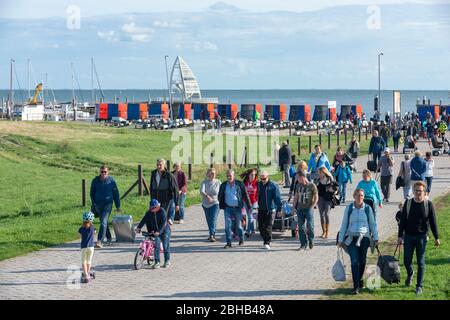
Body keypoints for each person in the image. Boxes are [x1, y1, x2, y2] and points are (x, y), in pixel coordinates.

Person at [397, 181, 440, 295]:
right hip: (409, 236)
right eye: (416, 190)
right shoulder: (408, 203)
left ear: (424, 192)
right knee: (406, 261)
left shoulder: (428, 204)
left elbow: (433, 222)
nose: (417, 193)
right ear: (413, 191)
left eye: (420, 191)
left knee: (421, 262)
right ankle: (410, 273)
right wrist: (400, 236)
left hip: (421, 237)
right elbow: (403, 221)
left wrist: (436, 237)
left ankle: (419, 286)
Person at [337, 188, 379, 295]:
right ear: (354, 196)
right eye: (358, 195)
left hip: (364, 237)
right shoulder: (349, 208)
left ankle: (360, 280)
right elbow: (344, 224)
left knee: (363, 260)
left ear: (363, 197)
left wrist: (376, 238)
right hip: (351, 237)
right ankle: (355, 286)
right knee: (354, 261)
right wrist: (341, 239)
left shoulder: (368, 209)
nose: (359, 198)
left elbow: (373, 224)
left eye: (361, 196)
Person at [218, 169, 251, 248]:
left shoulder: (239, 184)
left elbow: (245, 195)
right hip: (228, 208)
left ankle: (241, 239)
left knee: (238, 226)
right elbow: (220, 195)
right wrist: (221, 204)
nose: (229, 177)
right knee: (227, 226)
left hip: (237, 208)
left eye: (230, 176)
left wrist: (249, 206)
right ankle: (228, 243)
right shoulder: (224, 185)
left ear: (233, 176)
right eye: (227, 176)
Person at [90, 165, 121, 248]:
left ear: (108, 172)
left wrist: (118, 206)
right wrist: (94, 204)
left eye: (105, 172)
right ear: (100, 172)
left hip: (108, 204)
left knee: (103, 220)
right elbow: (91, 194)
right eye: (102, 172)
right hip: (97, 204)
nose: (103, 173)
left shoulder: (111, 181)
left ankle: (100, 241)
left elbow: (116, 194)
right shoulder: (95, 181)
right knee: (104, 222)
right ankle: (109, 237)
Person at [136, 199, 171, 269]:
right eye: (150, 208)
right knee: (157, 246)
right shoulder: (149, 212)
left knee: (165, 245)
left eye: (152, 208)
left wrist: (159, 231)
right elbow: (144, 219)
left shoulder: (162, 211)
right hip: (155, 232)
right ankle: (157, 262)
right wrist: (139, 227)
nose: (151, 210)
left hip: (164, 230)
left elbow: (164, 223)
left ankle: (167, 260)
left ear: (157, 207)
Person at [292, 170, 318, 250]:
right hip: (300, 208)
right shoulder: (298, 185)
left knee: (310, 226)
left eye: (298, 178)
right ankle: (303, 244)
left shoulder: (312, 185)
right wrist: (293, 207)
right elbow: (296, 196)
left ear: (303, 177)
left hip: (308, 208)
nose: (297, 179)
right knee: (301, 227)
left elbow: (316, 197)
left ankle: (311, 240)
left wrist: (312, 206)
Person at [257, 170, 282, 250]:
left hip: (270, 209)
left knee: (268, 226)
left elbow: (278, 198)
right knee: (260, 227)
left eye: (264, 178)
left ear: (268, 177)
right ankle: (266, 238)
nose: (263, 180)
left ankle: (267, 242)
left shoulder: (273, 185)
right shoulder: (259, 185)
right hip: (261, 208)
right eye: (261, 179)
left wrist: (279, 209)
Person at [150, 159, 179, 225]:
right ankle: (160, 229)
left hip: (166, 199)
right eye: (157, 165)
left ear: (164, 165)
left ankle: (163, 231)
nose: (159, 166)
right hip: (156, 198)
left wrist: (176, 203)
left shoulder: (169, 175)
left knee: (163, 214)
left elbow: (175, 189)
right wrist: (152, 198)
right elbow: (151, 187)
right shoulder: (154, 174)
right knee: (156, 215)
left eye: (160, 165)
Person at [200, 168, 221, 242]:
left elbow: (221, 192)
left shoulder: (218, 182)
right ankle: (212, 234)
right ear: (208, 174)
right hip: (206, 204)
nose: (213, 174)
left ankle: (212, 235)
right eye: (211, 173)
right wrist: (207, 196)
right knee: (209, 220)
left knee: (213, 218)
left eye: (214, 173)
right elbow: (202, 191)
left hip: (215, 203)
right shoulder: (204, 182)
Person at [317, 167, 334, 239]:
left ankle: (327, 231)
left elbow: (336, 188)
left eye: (320, 172)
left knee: (326, 214)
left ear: (324, 172)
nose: (319, 174)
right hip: (320, 199)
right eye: (319, 173)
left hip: (328, 199)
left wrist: (333, 190)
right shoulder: (318, 180)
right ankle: (323, 231)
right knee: (321, 215)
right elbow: (315, 190)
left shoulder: (330, 179)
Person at [240, 168, 258, 238]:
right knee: (249, 215)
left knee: (251, 217)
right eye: (251, 175)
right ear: (248, 175)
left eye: (254, 175)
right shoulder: (245, 182)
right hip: (246, 202)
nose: (253, 176)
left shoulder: (257, 183)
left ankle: (248, 231)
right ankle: (252, 230)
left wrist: (257, 200)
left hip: (254, 202)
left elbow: (258, 193)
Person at [79, 211, 96, 283]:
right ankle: (88, 274)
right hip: (91, 247)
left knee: (84, 262)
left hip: (84, 247)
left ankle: (85, 274)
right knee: (89, 261)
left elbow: (79, 235)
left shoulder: (81, 229)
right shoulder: (92, 228)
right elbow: (94, 233)